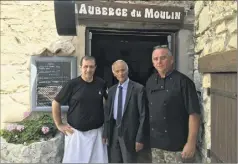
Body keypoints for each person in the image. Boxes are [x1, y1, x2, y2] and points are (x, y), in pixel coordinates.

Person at [146, 45, 201, 163]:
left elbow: (194, 114)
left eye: (163, 58)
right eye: (155, 59)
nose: (159, 62)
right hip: (156, 144)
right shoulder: (150, 81)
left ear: (171, 60)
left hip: (177, 146)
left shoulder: (184, 82)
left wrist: (191, 143)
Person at [52, 56, 108, 163]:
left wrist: (107, 128)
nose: (88, 70)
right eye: (85, 66)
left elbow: (108, 102)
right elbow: (56, 102)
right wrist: (59, 124)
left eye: (91, 67)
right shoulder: (72, 84)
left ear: (95, 67)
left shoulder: (101, 83)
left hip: (96, 134)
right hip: (76, 134)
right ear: (80, 67)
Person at [103, 60, 148, 163]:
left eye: (123, 70)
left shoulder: (138, 89)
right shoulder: (111, 91)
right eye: (117, 71)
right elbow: (107, 114)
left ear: (127, 71)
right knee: (114, 161)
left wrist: (140, 138)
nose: (121, 73)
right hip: (114, 132)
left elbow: (143, 115)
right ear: (114, 73)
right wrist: (105, 133)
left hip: (131, 134)